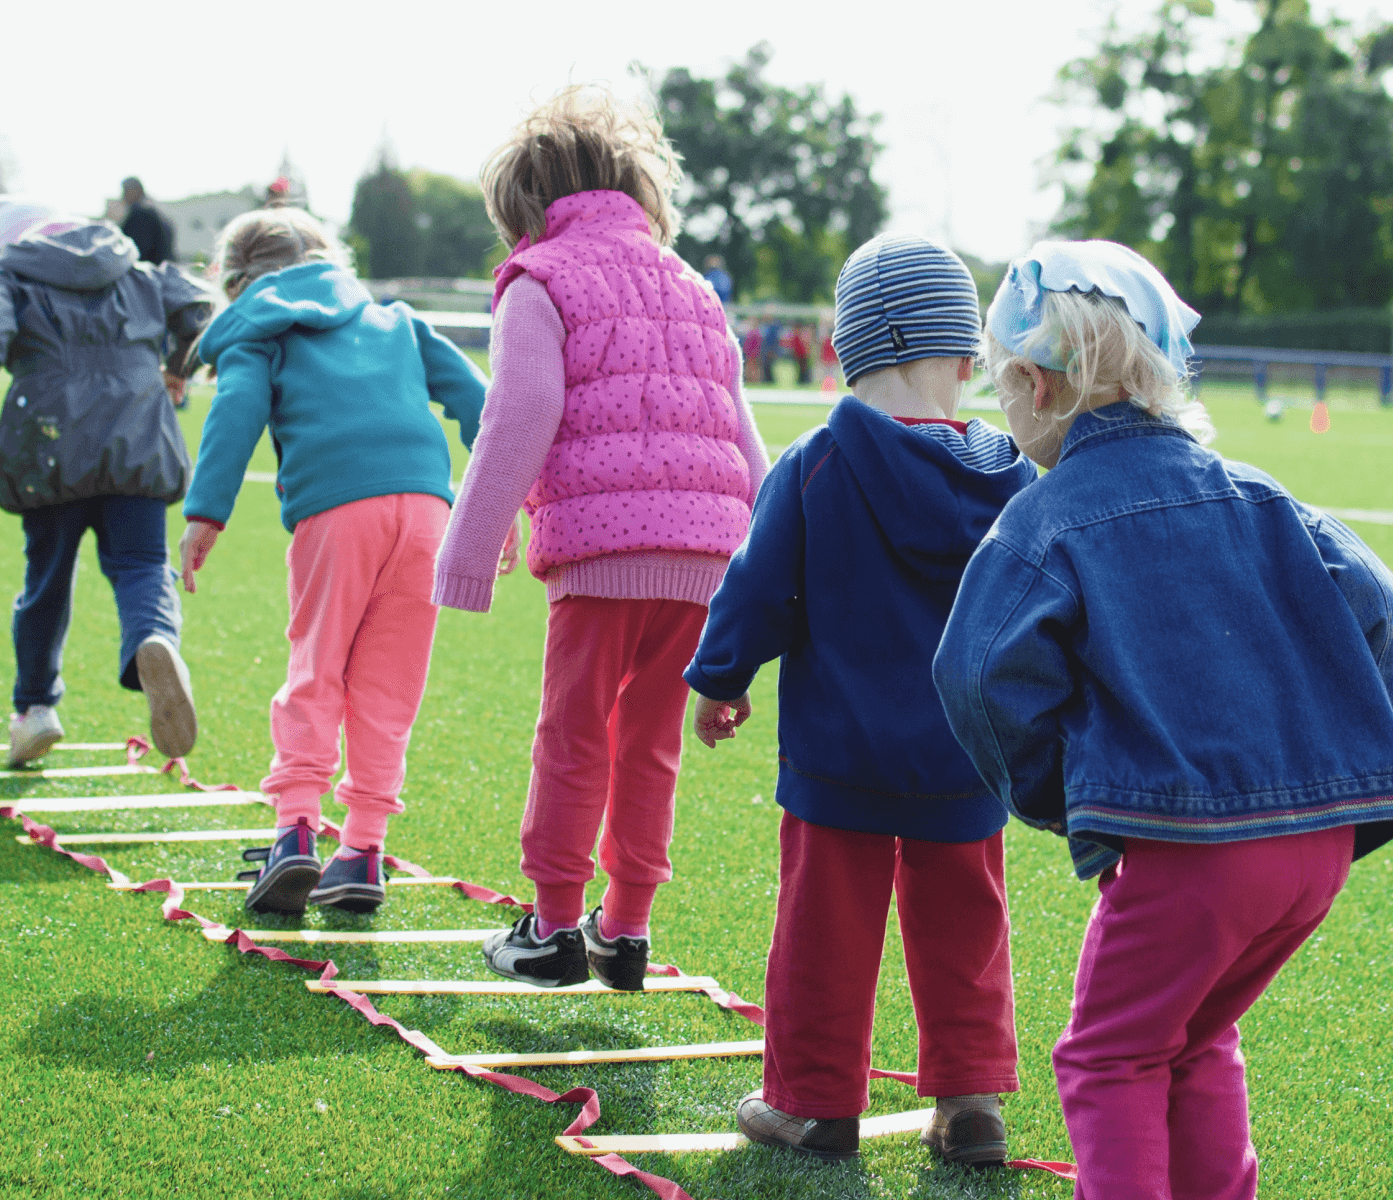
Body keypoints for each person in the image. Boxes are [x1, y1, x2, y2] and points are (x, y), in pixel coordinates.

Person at [933, 240, 1393, 1199]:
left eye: (1002, 389)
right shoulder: (1262, 492)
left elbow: (978, 672)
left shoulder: (1045, 517)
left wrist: (1061, 798)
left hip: (1188, 851)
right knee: (1196, 1037)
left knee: (1108, 1058)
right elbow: (1384, 603)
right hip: (1317, 845)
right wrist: (1332, 735)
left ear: (1035, 384)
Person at [686, 234, 1037, 1164]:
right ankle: (971, 1105)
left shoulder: (815, 462)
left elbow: (757, 588)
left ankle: (813, 1103)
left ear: (842, 351)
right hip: (968, 756)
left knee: (823, 932)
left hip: (838, 754)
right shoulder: (1015, 476)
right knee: (967, 927)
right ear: (967, 358)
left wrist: (720, 679)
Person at [434, 86, 768, 990]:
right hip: (707, 560)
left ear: (525, 209)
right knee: (649, 741)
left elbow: (525, 408)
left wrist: (470, 546)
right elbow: (744, 435)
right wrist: (770, 577)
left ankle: (549, 928)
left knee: (573, 734)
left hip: (602, 555)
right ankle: (624, 928)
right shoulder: (694, 286)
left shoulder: (539, 280)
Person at [176, 207, 487, 916]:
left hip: (337, 508)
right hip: (427, 512)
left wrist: (206, 512)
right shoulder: (397, 321)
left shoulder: (260, 328)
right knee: (389, 685)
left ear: (236, 282)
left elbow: (238, 409)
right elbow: (481, 401)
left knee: (317, 667)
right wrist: (504, 499)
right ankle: (363, 851)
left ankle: (294, 835)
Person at [0, 197, 211, 768]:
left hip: (50, 444)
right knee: (143, 565)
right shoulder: (132, 269)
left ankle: (35, 708)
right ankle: (155, 639)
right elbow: (195, 306)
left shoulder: (12, 276)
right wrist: (177, 367)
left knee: (47, 578)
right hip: (139, 436)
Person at [119, 177, 175, 266]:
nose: (123, 196)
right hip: (164, 271)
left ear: (136, 191)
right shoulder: (155, 211)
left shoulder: (140, 214)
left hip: (149, 273)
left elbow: (137, 251)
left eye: (126, 191)